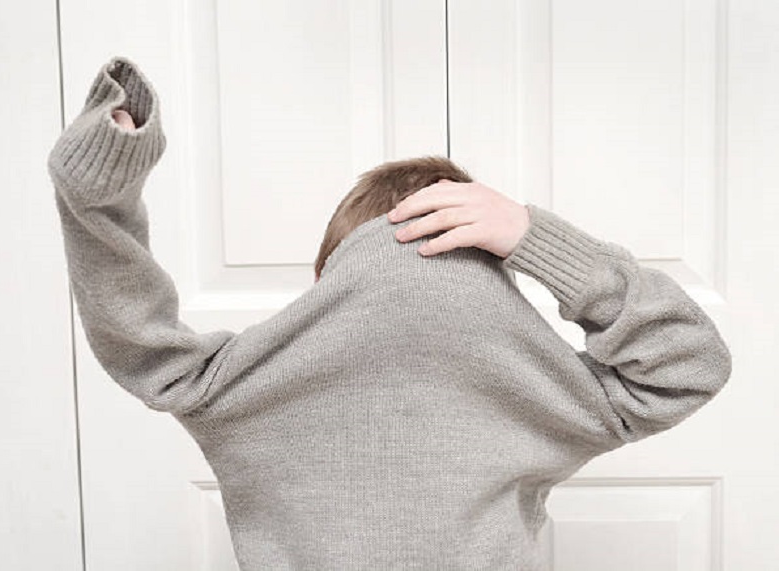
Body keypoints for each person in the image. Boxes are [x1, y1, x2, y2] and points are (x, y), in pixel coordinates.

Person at [47, 55, 733, 570]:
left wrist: (97, 194)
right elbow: (688, 361)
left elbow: (139, 339)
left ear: (326, 278)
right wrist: (532, 236)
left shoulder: (241, 386)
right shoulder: (542, 386)